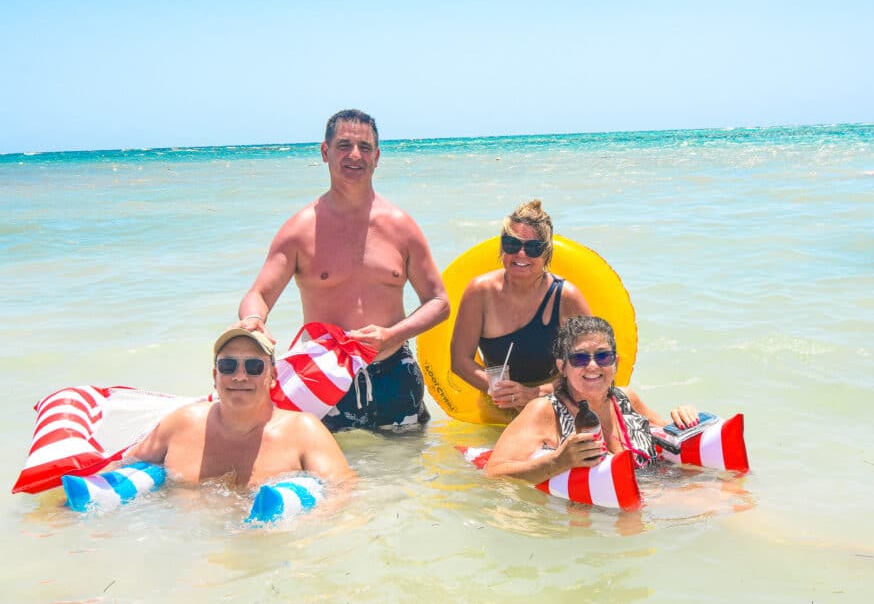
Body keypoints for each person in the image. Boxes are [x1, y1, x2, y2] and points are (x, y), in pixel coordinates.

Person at [236, 109, 450, 432]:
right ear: (325, 152)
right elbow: (259, 295)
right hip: (323, 379)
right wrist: (253, 321)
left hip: (396, 375)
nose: (355, 155)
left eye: (365, 147)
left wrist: (391, 335)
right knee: (329, 478)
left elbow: (439, 301)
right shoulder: (299, 230)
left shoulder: (401, 227)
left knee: (407, 477)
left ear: (377, 157)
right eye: (344, 145)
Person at [128, 327, 353, 487]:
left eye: (254, 366)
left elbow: (345, 492)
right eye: (228, 365)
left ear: (273, 376)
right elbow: (123, 467)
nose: (240, 376)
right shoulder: (181, 423)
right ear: (215, 375)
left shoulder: (302, 430)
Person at [485, 315, 697, 483]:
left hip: (652, 491)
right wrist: (557, 462)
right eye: (580, 358)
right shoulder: (544, 411)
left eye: (603, 356)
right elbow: (494, 472)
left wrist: (683, 419)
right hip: (594, 516)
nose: (593, 366)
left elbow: (668, 440)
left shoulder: (626, 399)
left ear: (616, 363)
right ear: (562, 367)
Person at [450, 199, 591, 411]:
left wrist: (534, 394)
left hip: (552, 401)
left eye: (533, 248)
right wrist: (499, 389)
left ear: (547, 252)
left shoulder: (566, 298)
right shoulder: (480, 292)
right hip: (497, 401)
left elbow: (589, 366)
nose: (521, 254)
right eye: (512, 244)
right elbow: (460, 361)